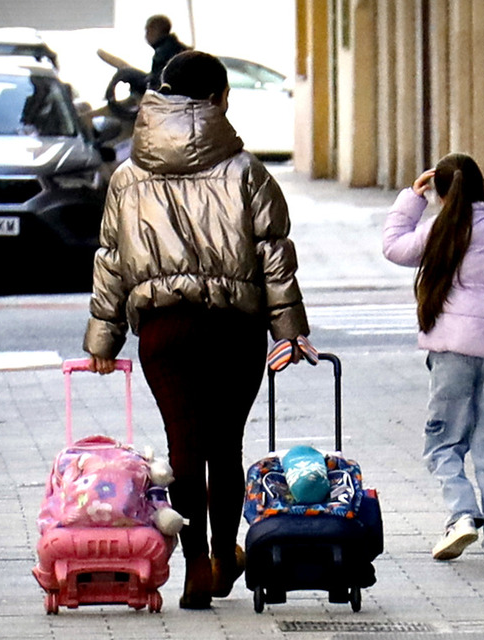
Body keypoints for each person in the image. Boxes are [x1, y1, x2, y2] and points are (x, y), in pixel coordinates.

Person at [82, 50, 315, 610]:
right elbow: (273, 258)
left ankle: (193, 571)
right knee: (225, 446)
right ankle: (220, 555)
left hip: (164, 332)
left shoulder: (128, 177)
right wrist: (289, 330)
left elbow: (112, 259)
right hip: (234, 330)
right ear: (219, 99)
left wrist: (103, 338)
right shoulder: (247, 172)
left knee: (183, 447)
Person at [382, 153, 484, 563]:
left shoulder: (438, 231)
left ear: (440, 193)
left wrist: (412, 197)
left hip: (450, 353)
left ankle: (462, 514)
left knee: (443, 442)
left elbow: (393, 246)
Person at [143, 14, 190, 91]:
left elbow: (156, 82)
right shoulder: (178, 47)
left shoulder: (163, 52)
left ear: (155, 30)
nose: (146, 36)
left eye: (148, 31)